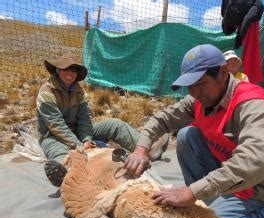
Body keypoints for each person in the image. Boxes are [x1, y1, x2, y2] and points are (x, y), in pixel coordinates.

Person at [124, 44, 264, 218]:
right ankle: (207, 202)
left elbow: (253, 163)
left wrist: (193, 191)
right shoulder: (200, 100)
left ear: (223, 72)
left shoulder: (254, 105)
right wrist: (141, 150)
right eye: (189, 86)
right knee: (186, 135)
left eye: (200, 83)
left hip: (260, 188)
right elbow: (162, 119)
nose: (194, 92)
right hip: (234, 179)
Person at [37, 53, 169, 187]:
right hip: (52, 136)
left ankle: (148, 148)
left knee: (115, 124)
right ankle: (66, 173)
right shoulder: (46, 92)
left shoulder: (78, 91)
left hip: (77, 132)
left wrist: (87, 138)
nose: (70, 73)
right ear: (58, 70)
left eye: (73, 70)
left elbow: (84, 119)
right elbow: (56, 125)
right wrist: (79, 146)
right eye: (66, 69)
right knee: (62, 153)